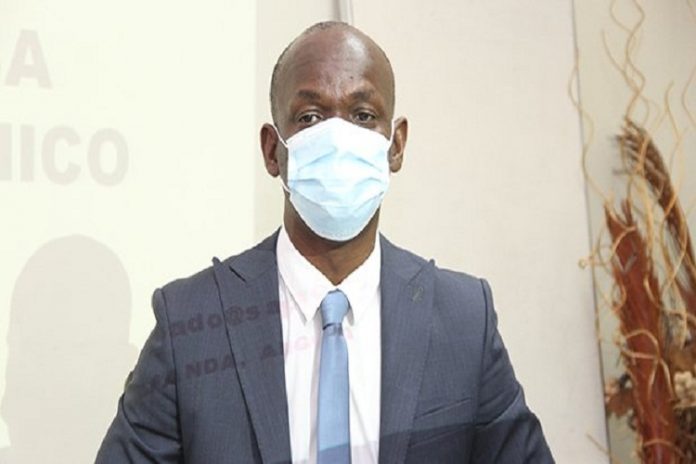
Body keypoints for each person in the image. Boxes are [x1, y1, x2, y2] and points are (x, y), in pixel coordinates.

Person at [96, 21, 554, 464]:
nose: (338, 137)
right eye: (310, 117)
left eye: (363, 115)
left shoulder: (464, 320)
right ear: (272, 151)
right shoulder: (189, 323)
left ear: (396, 146)